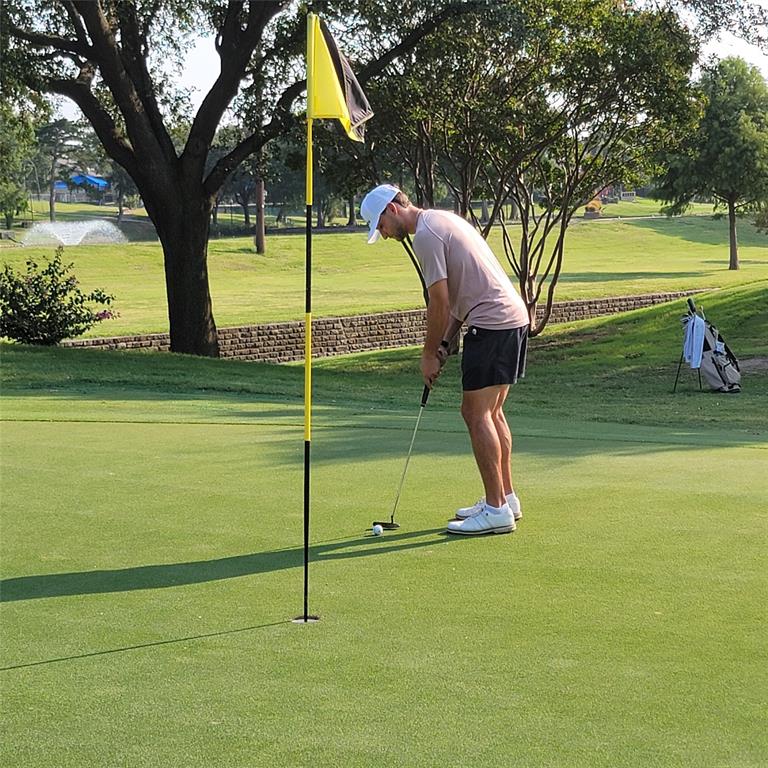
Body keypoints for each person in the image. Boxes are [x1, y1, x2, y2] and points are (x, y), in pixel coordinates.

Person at [360, 184, 530, 536]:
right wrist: (445, 343)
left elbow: (437, 300)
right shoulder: (442, 219)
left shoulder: (425, 235)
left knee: (475, 412)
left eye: (380, 225)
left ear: (392, 209)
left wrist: (426, 354)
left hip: (492, 321)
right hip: (511, 318)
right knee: (493, 412)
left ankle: (497, 510)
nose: (383, 234)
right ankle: (505, 497)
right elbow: (454, 299)